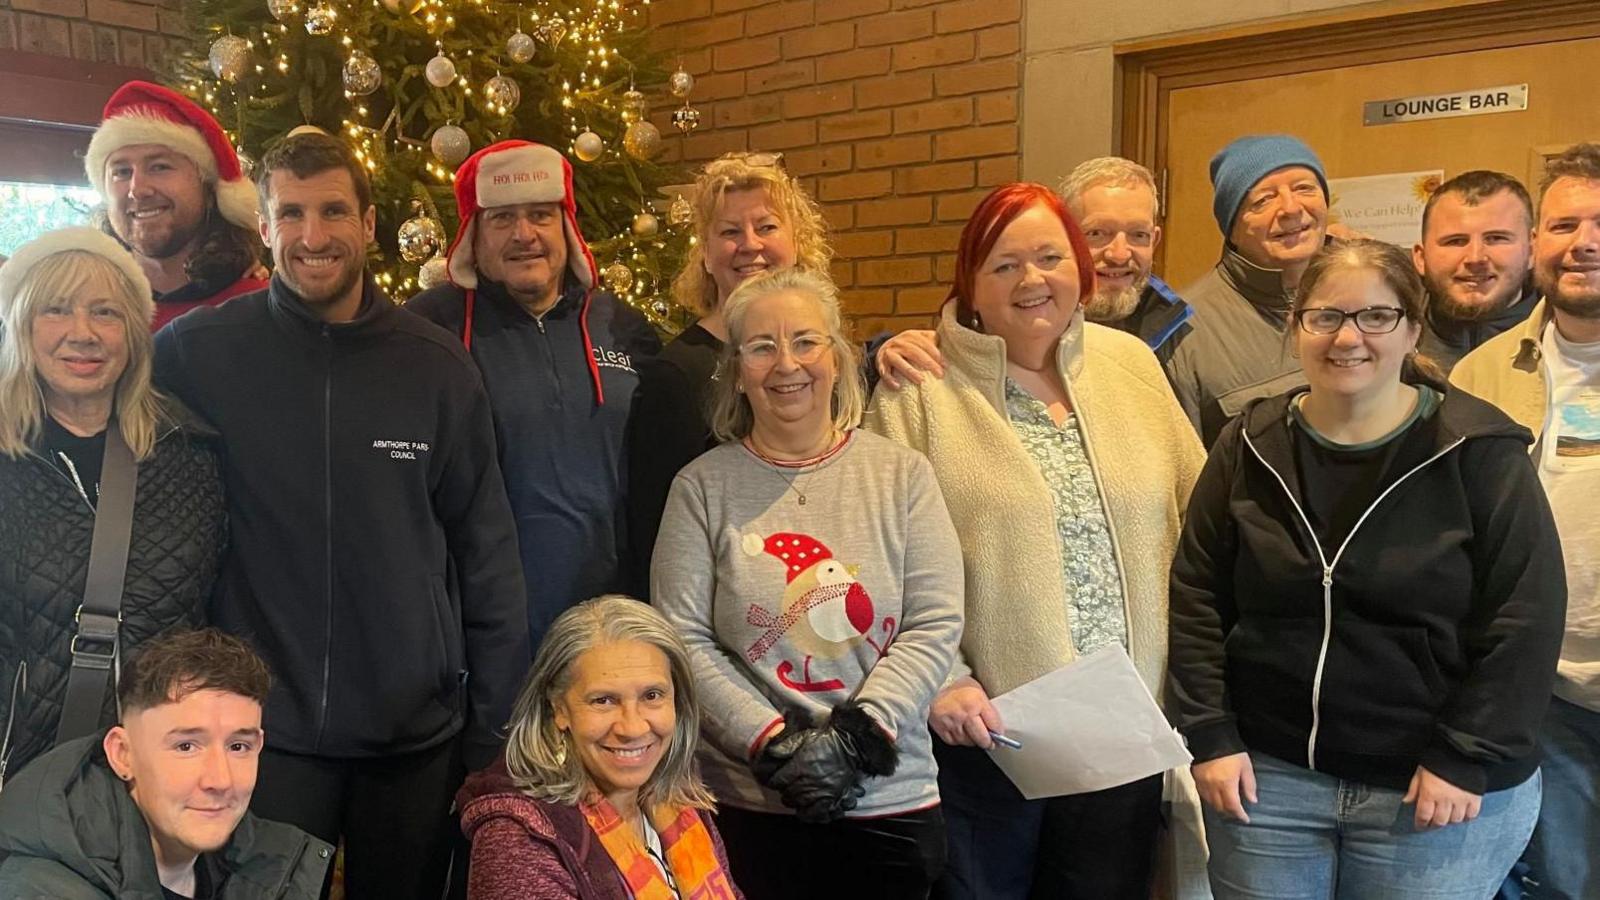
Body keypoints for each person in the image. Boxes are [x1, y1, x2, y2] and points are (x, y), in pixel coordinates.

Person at [152, 131, 530, 899]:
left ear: (368, 220)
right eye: (290, 214)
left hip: (413, 737)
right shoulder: (196, 354)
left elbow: (487, 553)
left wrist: (493, 731)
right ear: (264, 227)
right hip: (263, 731)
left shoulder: (436, 368)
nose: (313, 236)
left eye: (332, 212)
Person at [1169, 237, 1566, 898]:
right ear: (1298, 326)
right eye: (1325, 316)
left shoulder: (1478, 451)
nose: (1347, 337)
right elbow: (1198, 596)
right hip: (1270, 783)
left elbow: (1524, 616)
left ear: (1412, 328)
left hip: (1431, 788)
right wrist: (1209, 734)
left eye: (1376, 317)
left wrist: (1467, 755)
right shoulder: (1249, 444)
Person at [865, 183, 1209, 900]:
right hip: (986, 734)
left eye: (1051, 257)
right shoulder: (918, 388)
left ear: (1079, 271)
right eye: (1004, 265)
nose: (1031, 280)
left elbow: (1200, 523)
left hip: (1124, 730)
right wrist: (946, 678)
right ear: (973, 286)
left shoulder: (1132, 367)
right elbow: (879, 556)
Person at [652, 268, 963, 899]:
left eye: (805, 341)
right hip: (748, 803)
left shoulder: (904, 476)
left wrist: (859, 736)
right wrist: (773, 744)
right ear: (737, 370)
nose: (785, 364)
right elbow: (682, 637)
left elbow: (933, 622)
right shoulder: (700, 490)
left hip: (890, 801)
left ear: (839, 357)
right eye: (761, 347)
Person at [408, 141, 660, 650]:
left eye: (540, 215)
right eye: (502, 218)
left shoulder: (624, 328)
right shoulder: (424, 332)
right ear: (473, 237)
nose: (524, 235)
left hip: (614, 625)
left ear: (565, 227)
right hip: (483, 635)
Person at [0, 227, 225, 785]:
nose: (83, 334)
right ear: (21, 325)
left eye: (106, 313)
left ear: (133, 332)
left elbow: (213, 613)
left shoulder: (188, 452)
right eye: (56, 310)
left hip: (155, 774)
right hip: (18, 772)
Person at [1453, 143, 1600, 900]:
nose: (1585, 242)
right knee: (1564, 883)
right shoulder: (1478, 374)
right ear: (1536, 242)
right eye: (1565, 223)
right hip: (1541, 695)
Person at [0, 628, 333, 898]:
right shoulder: (38, 890)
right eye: (186, 746)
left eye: (238, 746)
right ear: (122, 754)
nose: (221, 779)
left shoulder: (265, 865)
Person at [626, 152, 828, 596]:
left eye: (767, 226)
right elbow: (655, 540)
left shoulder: (826, 357)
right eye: (730, 232)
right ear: (706, 253)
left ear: (798, 241)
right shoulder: (676, 377)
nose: (751, 244)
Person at [456, 595, 742, 899]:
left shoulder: (679, 799)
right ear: (559, 709)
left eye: (652, 695)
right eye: (603, 701)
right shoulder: (518, 841)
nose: (632, 727)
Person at [871, 156, 1195, 389]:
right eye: (1097, 234)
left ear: (1155, 239)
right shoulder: (943, 365)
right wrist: (880, 356)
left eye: (1137, 235)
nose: (1119, 254)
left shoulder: (1188, 339)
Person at [1168, 134, 1330, 446]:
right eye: (1263, 200)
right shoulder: (1184, 332)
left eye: (1304, 188)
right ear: (1231, 227)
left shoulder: (1367, 297)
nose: (1291, 208)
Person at [85, 81, 267, 330]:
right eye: (122, 171)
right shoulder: (80, 313)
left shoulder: (261, 310)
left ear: (208, 186)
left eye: (159, 166)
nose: (137, 189)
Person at [1413, 169, 1540, 374]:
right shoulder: (1383, 343)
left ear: (1533, 250)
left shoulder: (1571, 344)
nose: (1475, 258)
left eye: (1496, 238)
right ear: (1420, 257)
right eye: (1455, 241)